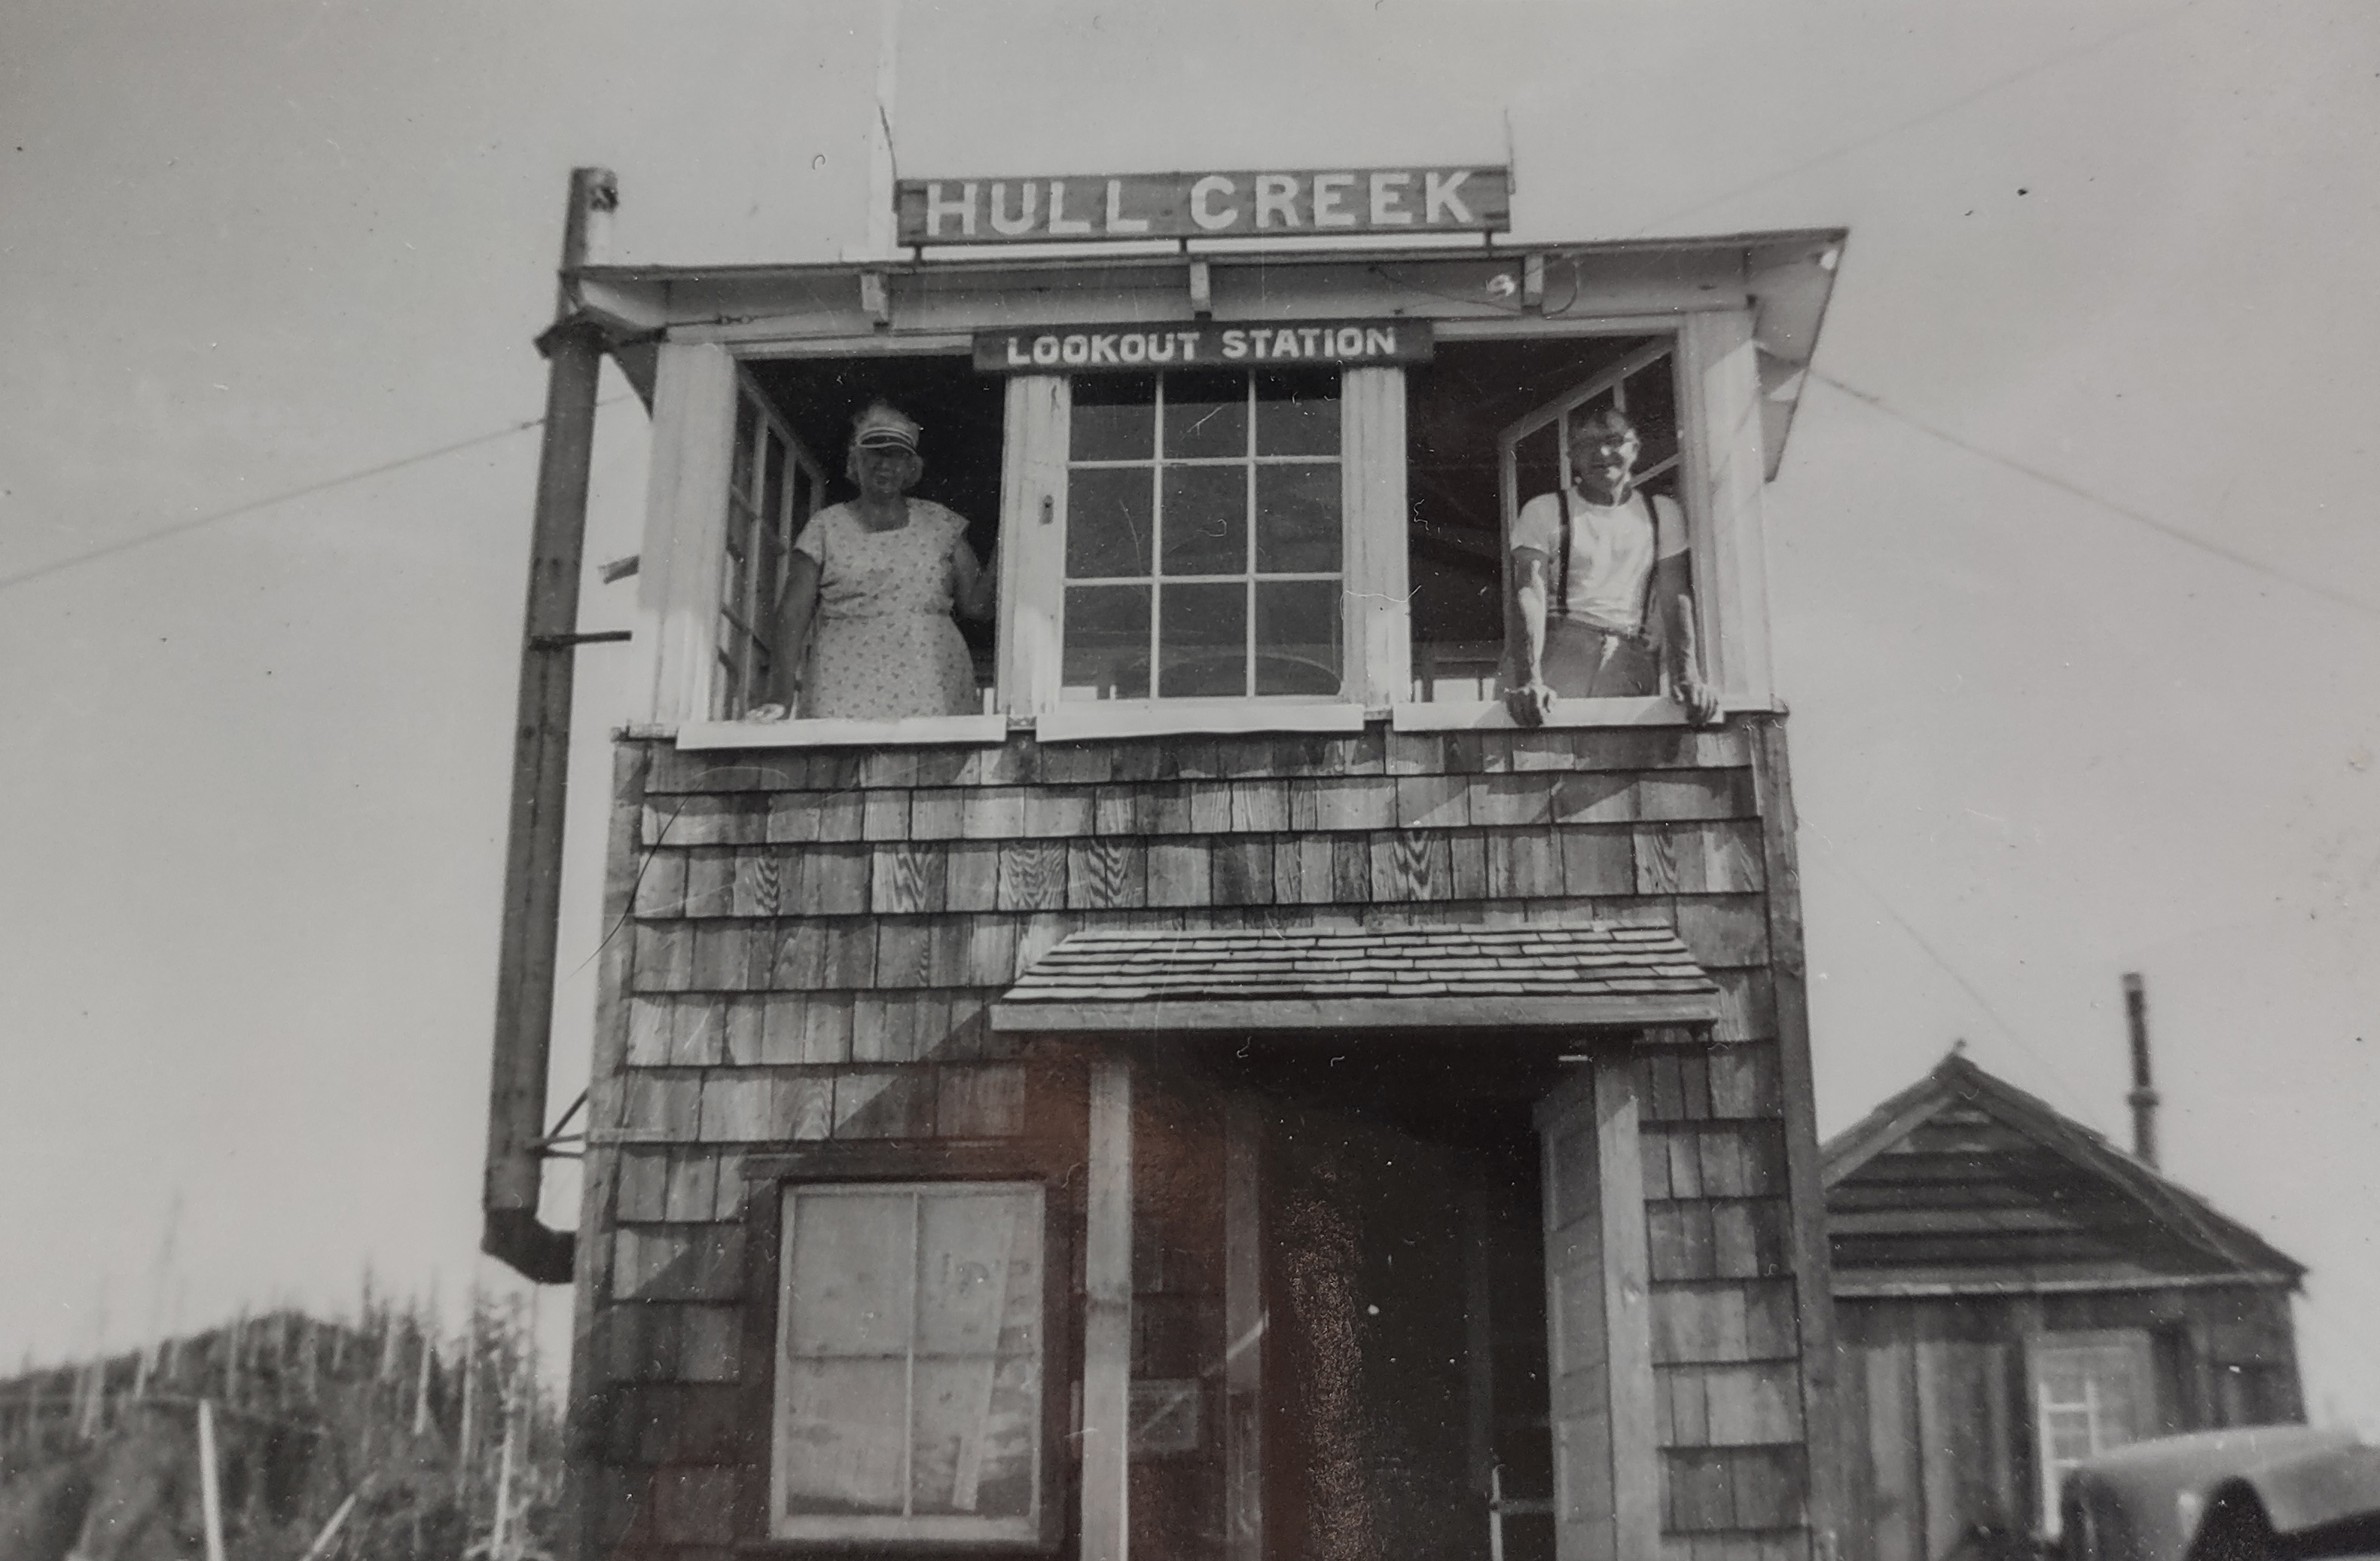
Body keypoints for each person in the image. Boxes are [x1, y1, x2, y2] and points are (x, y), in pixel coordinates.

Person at [749, 401, 996, 721]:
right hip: (845, 682)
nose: (886, 464)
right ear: (856, 460)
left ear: (911, 467)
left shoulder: (940, 524)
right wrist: (780, 695)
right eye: (876, 452)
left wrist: (1006, 546)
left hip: (931, 681)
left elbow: (978, 606)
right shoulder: (826, 527)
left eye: (898, 455)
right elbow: (792, 614)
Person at [1503, 404, 1719, 726]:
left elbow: (1675, 594)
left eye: (1614, 440)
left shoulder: (1662, 513)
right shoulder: (1546, 510)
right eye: (1586, 445)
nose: (1602, 453)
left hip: (1630, 658)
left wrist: (1688, 675)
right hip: (1561, 652)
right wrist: (1529, 680)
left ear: (1636, 448)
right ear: (1571, 457)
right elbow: (1529, 593)